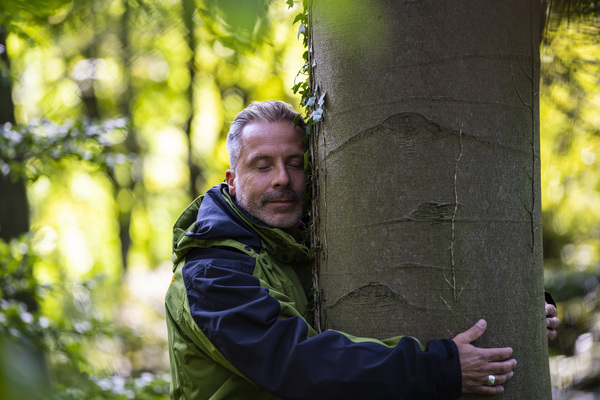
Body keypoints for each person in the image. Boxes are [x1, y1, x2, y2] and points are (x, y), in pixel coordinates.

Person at [165, 100, 558, 399]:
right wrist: (442, 368)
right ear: (233, 180)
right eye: (263, 165)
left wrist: (515, 315)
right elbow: (297, 361)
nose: (283, 179)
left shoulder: (301, 244)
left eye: (296, 163)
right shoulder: (211, 273)